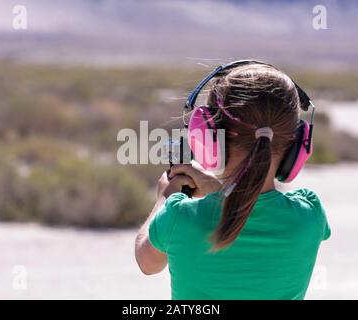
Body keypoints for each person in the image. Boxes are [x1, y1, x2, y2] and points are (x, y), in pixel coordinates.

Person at [135, 61, 330, 299]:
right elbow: (249, 207)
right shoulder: (309, 217)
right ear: (298, 144)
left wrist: (164, 198)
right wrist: (217, 189)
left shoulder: (179, 217)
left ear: (208, 136)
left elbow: (148, 263)